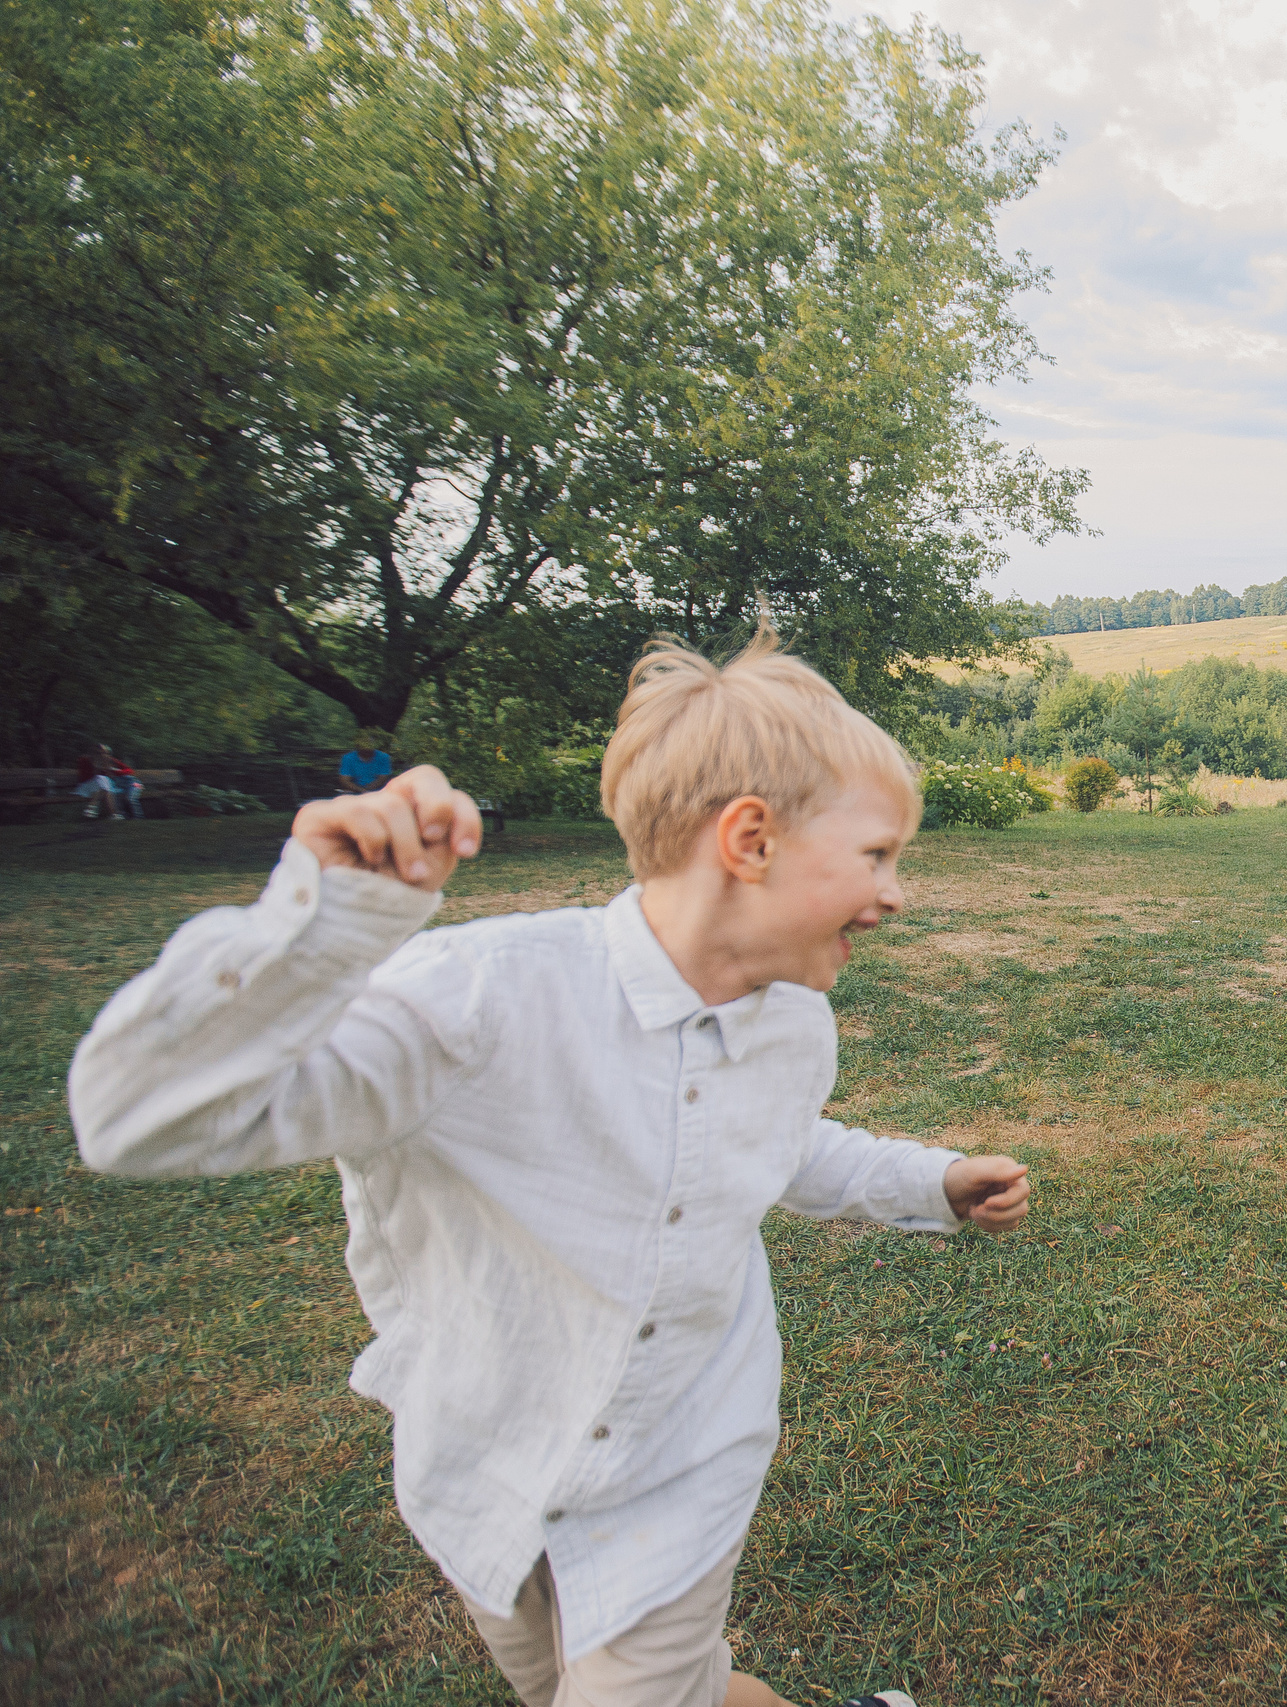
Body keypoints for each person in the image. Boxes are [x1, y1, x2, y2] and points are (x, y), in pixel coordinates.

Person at [69, 623, 1030, 1707]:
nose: (894, 894)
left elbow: (775, 1142)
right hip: (495, 1468)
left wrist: (926, 1183)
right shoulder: (476, 1001)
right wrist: (324, 927)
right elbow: (136, 1122)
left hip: (685, 1467)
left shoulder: (795, 1027)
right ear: (750, 840)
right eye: (877, 855)